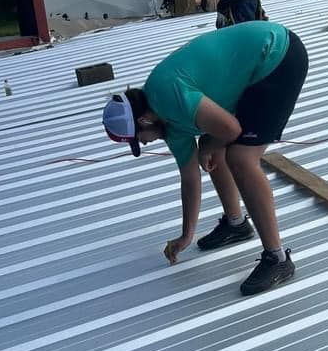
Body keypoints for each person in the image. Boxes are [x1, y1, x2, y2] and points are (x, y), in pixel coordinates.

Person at [102, 21, 308, 296]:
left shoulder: (167, 95)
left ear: (144, 120)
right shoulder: (167, 125)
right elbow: (189, 179)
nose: (146, 143)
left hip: (277, 56)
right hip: (253, 66)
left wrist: (210, 143)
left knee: (240, 158)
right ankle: (236, 224)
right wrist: (186, 235)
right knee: (212, 147)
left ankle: (278, 259)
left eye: (141, 138)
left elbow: (231, 129)